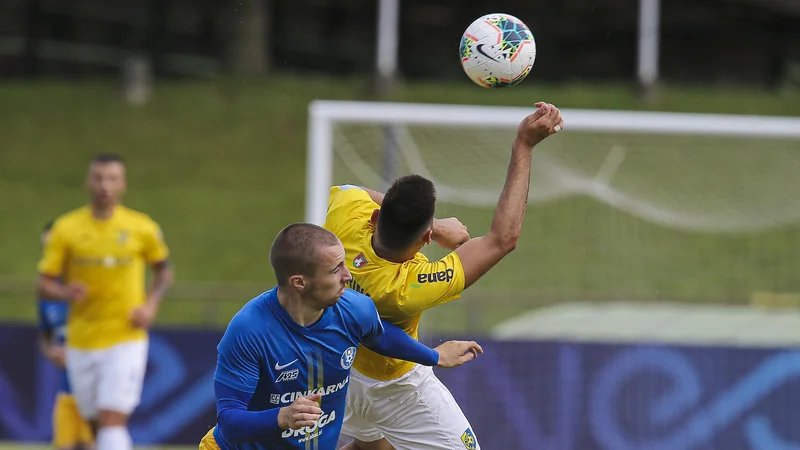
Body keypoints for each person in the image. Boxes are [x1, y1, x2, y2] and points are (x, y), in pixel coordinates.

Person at [324, 102, 565, 450]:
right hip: (394, 388)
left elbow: (354, 193)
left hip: (337, 368)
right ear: (423, 239)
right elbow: (502, 239)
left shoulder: (343, 220)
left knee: (371, 447)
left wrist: (435, 227)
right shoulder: (408, 288)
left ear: (375, 218)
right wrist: (523, 146)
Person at [198, 222, 483, 450]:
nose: (348, 276)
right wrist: (282, 417)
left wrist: (434, 356)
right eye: (336, 269)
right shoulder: (249, 331)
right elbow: (229, 422)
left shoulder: (354, 309)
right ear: (299, 282)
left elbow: (381, 337)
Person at [37, 153, 174, 450]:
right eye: (99, 178)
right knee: (96, 423)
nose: (104, 185)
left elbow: (163, 271)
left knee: (112, 419)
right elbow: (44, 283)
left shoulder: (141, 227)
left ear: (122, 184)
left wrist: (150, 306)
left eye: (112, 178)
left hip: (125, 336)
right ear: (89, 181)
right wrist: (65, 292)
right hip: (82, 339)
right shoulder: (67, 228)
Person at [37, 221, 95, 450]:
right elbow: (45, 336)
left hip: (93, 388)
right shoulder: (46, 295)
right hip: (66, 389)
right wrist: (51, 352)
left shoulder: (89, 284)